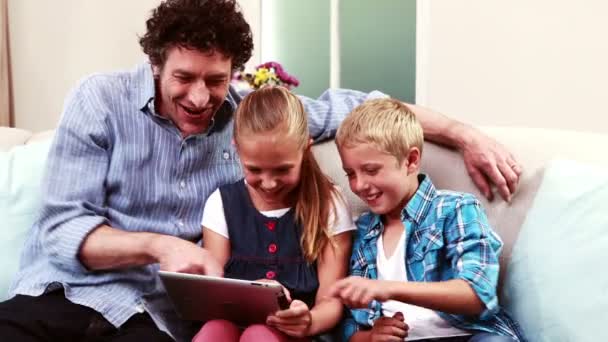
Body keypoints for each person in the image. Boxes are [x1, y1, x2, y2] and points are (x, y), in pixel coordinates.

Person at [0, 0, 521, 341]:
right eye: (183, 77)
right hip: (63, 293)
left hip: (152, 316)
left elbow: (364, 109)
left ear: (235, 72)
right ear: (156, 64)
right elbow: (63, 229)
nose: (200, 97)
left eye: (216, 79)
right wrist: (161, 245)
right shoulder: (99, 100)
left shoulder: (253, 115)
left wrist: (464, 134)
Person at [329, 98, 526, 342]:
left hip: (468, 336)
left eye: (371, 170)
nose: (359, 185)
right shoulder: (363, 233)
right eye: (350, 174)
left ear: (411, 161)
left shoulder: (455, 209)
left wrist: (387, 288)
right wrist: (368, 337)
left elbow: (477, 293)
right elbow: (347, 325)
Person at [192, 86, 353, 342]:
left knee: (259, 335)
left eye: (282, 170)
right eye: (254, 169)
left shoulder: (328, 203)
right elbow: (215, 292)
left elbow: (331, 301)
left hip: (300, 334)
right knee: (215, 330)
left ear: (305, 149)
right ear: (237, 149)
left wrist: (309, 321)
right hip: (233, 327)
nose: (269, 183)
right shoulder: (221, 203)